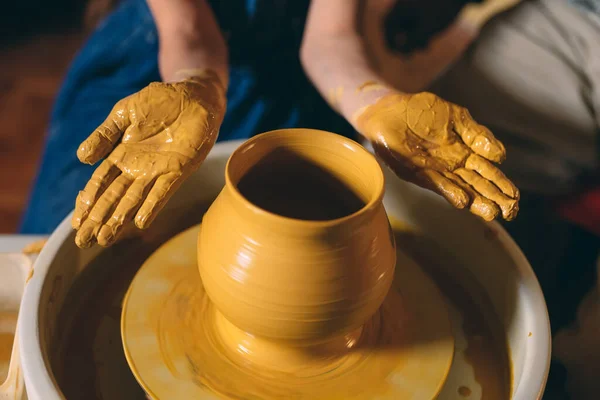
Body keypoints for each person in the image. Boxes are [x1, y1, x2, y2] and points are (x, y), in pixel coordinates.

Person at [20, 0, 518, 248]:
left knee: (315, 229)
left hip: (293, 73)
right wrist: (198, 87)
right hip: (168, 75)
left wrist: (374, 102)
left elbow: (330, 40)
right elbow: (190, 32)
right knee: (73, 234)